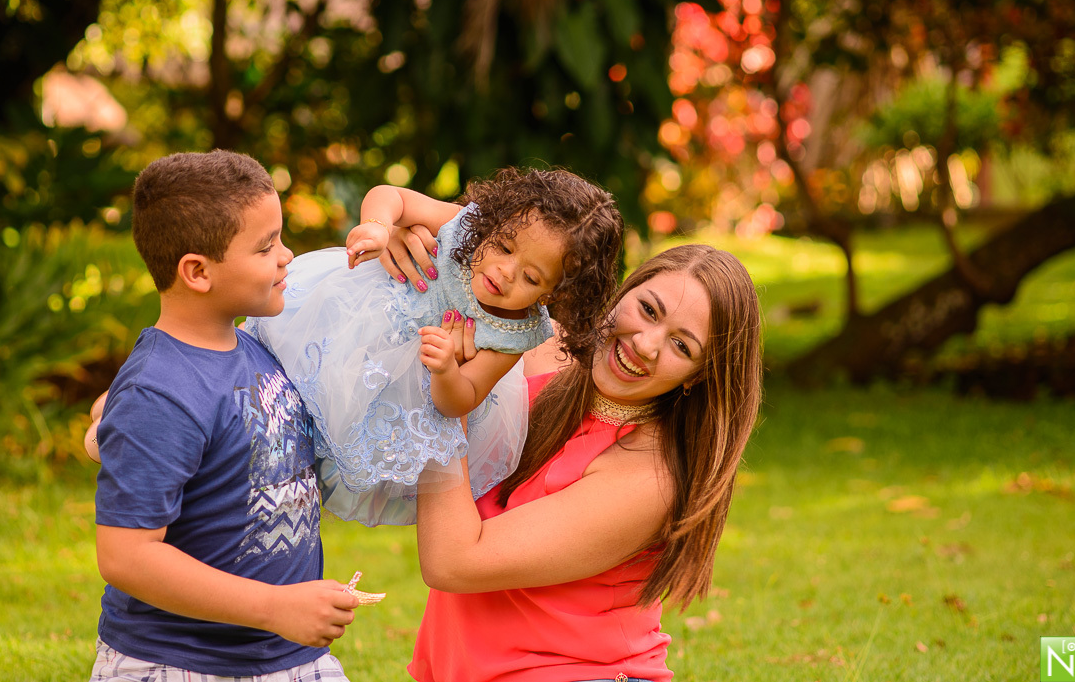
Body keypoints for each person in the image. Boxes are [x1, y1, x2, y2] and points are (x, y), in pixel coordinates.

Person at [406, 244, 764, 682]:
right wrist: (398, 228)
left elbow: (453, 562)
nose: (646, 345)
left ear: (698, 375)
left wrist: (448, 401)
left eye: (681, 345)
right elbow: (470, 258)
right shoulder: (539, 350)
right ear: (623, 292)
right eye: (648, 310)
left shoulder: (648, 475)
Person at [89, 150, 359, 682]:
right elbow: (126, 557)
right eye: (266, 246)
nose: (286, 257)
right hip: (178, 662)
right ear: (197, 271)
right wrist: (274, 607)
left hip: (287, 657)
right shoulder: (160, 389)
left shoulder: (256, 346)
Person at [246, 167, 625, 526]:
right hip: (347, 329)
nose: (505, 271)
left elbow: (462, 398)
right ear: (495, 223)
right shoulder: (464, 226)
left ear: (551, 295)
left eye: (530, 276)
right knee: (277, 391)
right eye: (505, 246)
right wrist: (379, 227)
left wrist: (446, 371)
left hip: (393, 393)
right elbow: (390, 195)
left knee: (309, 458)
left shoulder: (512, 333)